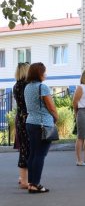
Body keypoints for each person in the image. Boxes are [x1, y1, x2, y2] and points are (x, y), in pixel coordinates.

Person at [24, 62, 58, 193]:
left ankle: (31, 183)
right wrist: (56, 117)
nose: (46, 74)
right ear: (39, 73)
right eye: (44, 71)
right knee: (40, 155)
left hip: (30, 123)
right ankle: (35, 184)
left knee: (33, 154)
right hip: (43, 124)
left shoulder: (27, 87)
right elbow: (51, 107)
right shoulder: (42, 87)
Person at [13, 62, 30, 189]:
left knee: (23, 147)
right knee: (26, 148)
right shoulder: (27, 86)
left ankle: (22, 177)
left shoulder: (16, 85)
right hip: (27, 118)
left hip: (19, 117)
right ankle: (25, 180)